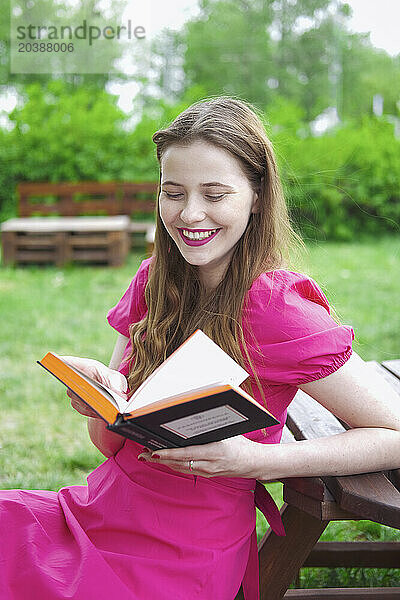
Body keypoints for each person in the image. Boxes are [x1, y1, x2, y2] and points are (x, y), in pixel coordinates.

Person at [1, 97, 400, 600]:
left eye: (215, 194)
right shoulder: (154, 282)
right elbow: (109, 448)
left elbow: (393, 431)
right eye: (173, 193)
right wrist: (98, 404)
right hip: (100, 508)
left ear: (256, 196)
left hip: (184, 549)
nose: (190, 214)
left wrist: (255, 462)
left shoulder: (275, 306)